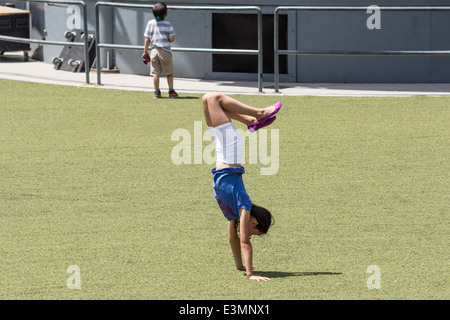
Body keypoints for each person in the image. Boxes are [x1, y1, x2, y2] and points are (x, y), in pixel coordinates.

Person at [202, 93, 281, 282]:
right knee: (215, 99)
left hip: (223, 155)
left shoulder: (233, 215)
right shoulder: (243, 206)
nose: (249, 235)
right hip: (231, 153)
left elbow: (233, 239)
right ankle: (259, 113)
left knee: (207, 100)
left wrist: (240, 265)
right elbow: (244, 242)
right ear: (253, 223)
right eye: (255, 233)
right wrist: (251, 274)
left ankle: (251, 121)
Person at [143, 2, 178, 98]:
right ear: (166, 14)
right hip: (165, 51)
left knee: (155, 73)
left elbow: (147, 39)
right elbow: (171, 38)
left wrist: (145, 52)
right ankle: (171, 91)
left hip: (154, 51)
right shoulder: (168, 24)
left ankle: (156, 92)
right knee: (169, 73)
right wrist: (169, 39)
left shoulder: (150, 23)